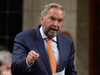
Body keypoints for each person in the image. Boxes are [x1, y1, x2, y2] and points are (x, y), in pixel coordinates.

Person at [11, 3, 77, 75]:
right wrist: (27, 61)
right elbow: (15, 69)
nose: (55, 24)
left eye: (59, 21)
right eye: (52, 19)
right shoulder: (24, 38)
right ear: (42, 19)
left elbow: (70, 71)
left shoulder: (68, 42)